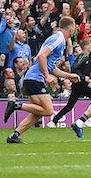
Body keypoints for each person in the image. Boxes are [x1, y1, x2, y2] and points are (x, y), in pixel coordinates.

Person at [4, 16, 80, 144]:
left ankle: (14, 135)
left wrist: (68, 75)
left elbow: (51, 66)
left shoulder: (58, 40)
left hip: (32, 78)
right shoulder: (58, 39)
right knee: (49, 110)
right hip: (35, 79)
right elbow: (41, 56)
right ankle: (16, 105)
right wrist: (46, 76)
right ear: (71, 29)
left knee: (38, 112)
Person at [52, 37, 91, 124]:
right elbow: (74, 67)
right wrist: (84, 78)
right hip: (80, 83)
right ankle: (86, 118)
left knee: (70, 105)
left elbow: (87, 71)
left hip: (79, 84)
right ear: (86, 46)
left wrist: (90, 74)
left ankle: (54, 121)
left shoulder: (89, 57)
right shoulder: (83, 56)